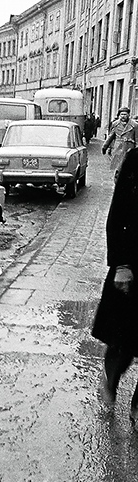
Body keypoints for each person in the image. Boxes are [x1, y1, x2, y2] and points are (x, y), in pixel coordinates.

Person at [93, 146, 138, 424]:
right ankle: (111, 382)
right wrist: (121, 264)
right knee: (123, 341)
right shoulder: (136, 160)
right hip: (133, 267)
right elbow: (118, 212)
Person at [102, 106, 138, 181]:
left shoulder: (135, 125)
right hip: (118, 149)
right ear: (119, 115)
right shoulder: (115, 124)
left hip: (129, 150)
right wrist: (105, 146)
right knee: (118, 168)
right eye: (121, 114)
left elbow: (137, 139)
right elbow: (111, 136)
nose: (123, 116)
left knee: (128, 169)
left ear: (129, 115)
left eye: (125, 114)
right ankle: (117, 183)